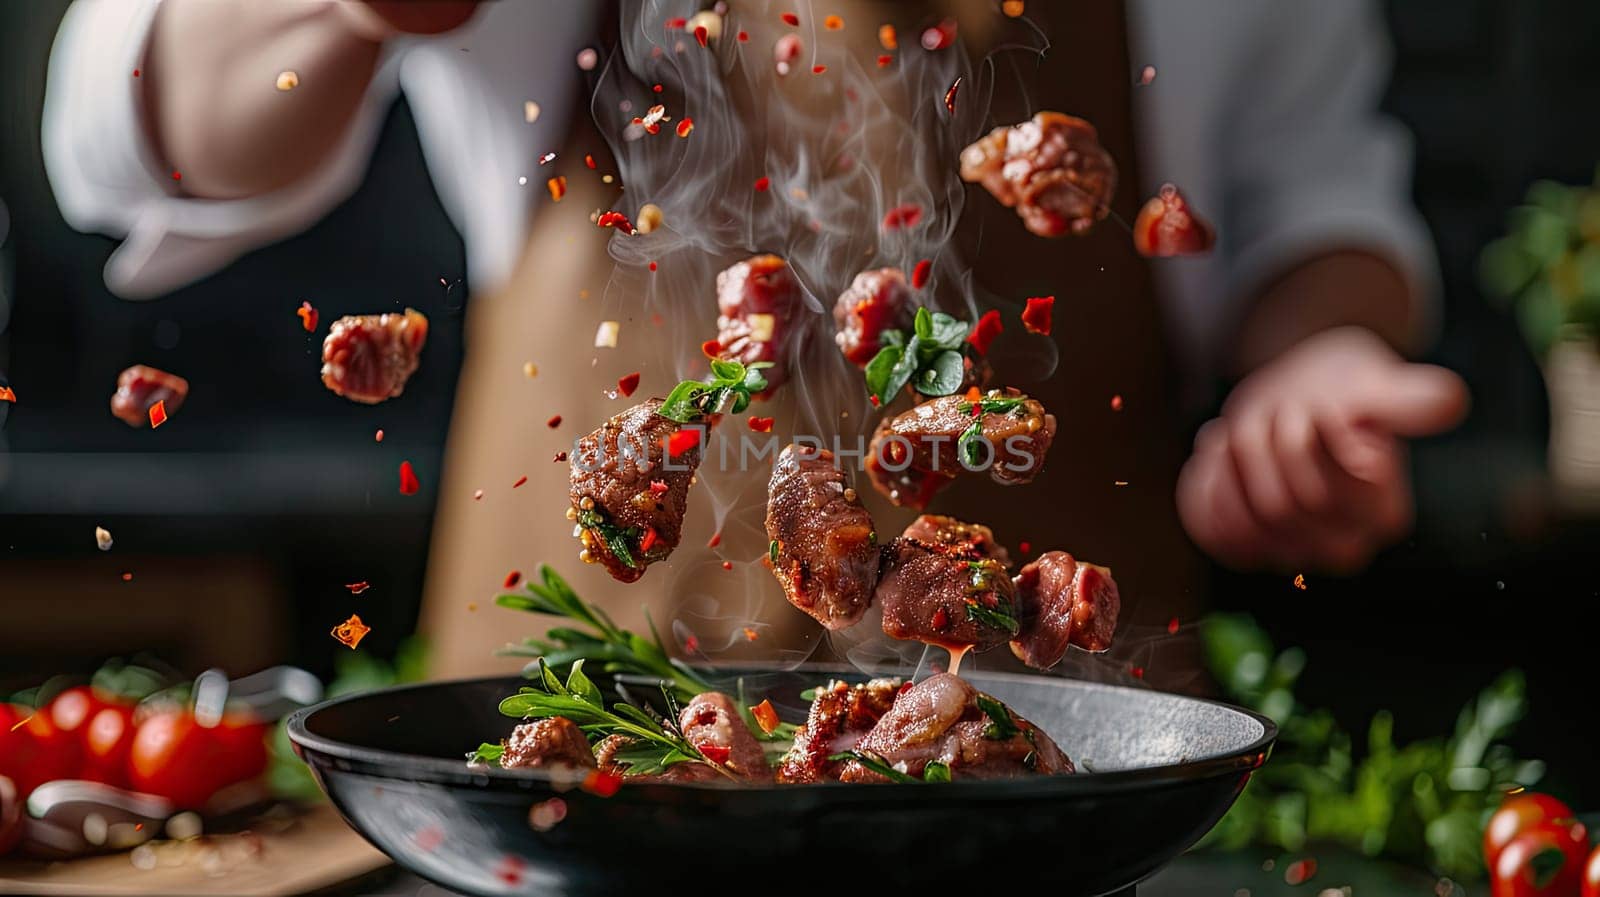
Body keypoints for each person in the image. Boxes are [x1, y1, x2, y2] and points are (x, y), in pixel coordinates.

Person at [42, 0, 1467, 678]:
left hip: (1062, 762)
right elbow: (123, 118)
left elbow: (1317, 204)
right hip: (575, 742)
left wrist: (1312, 364)